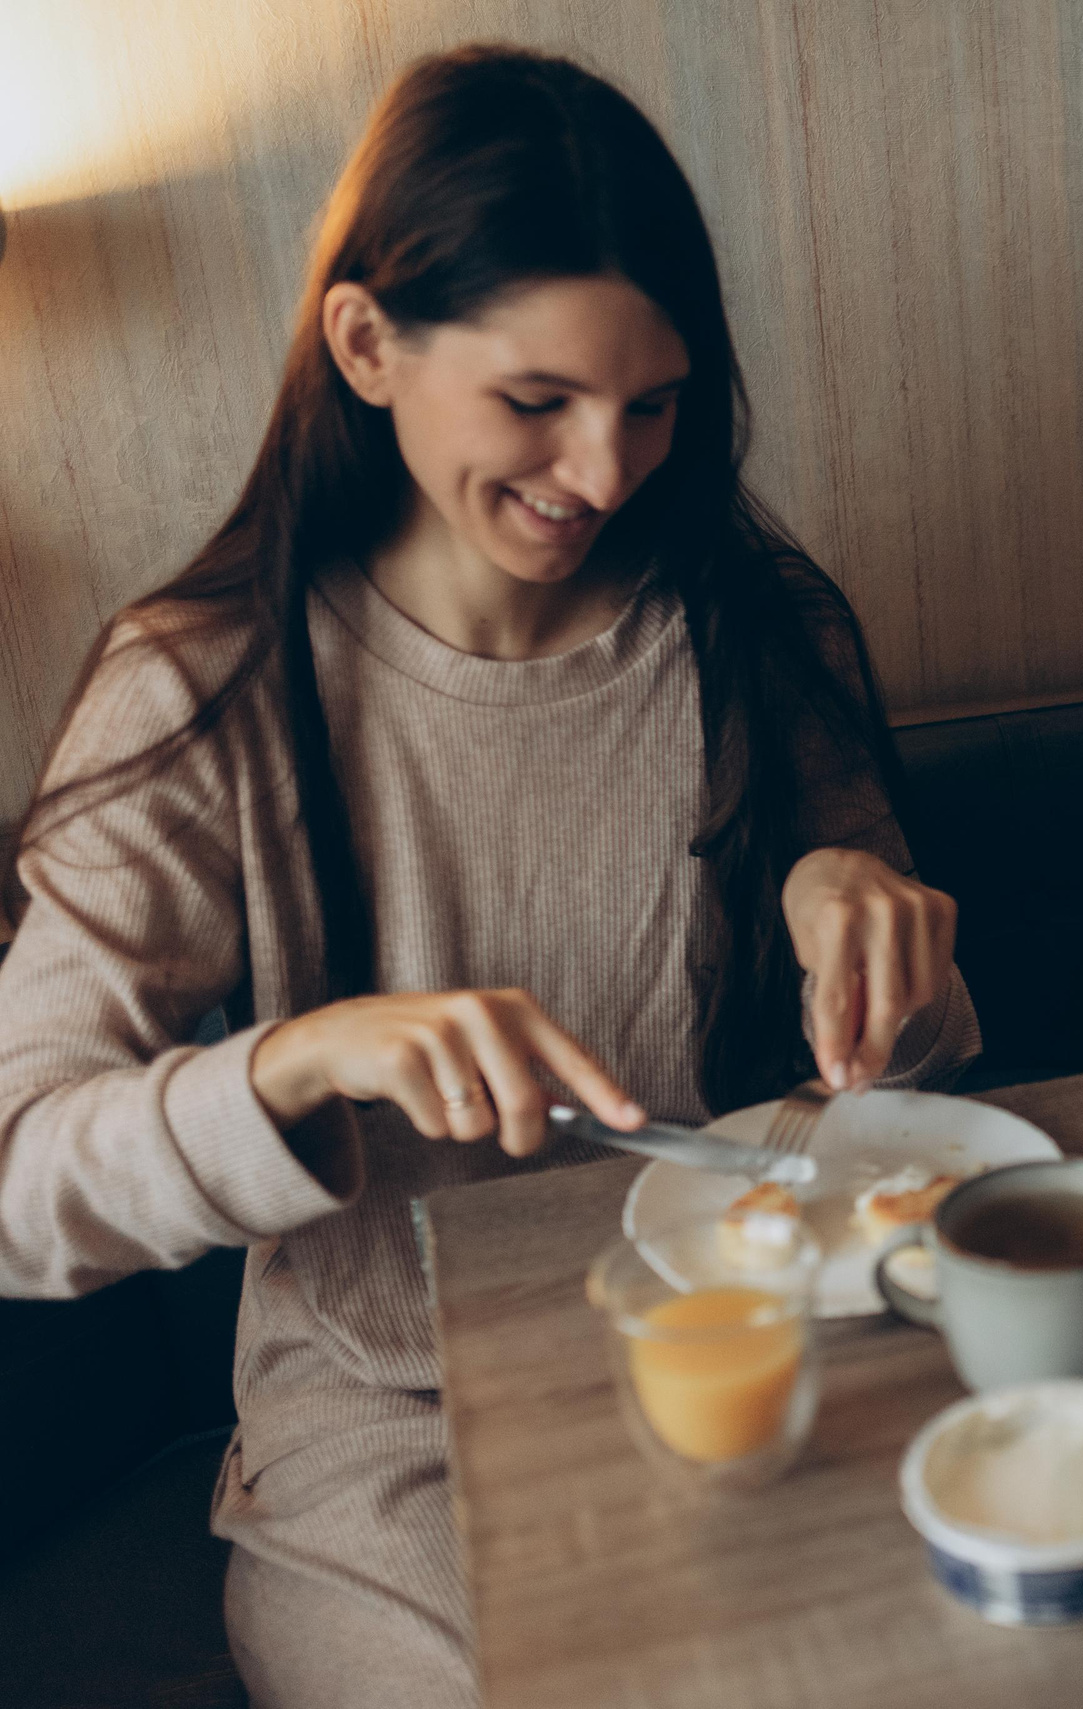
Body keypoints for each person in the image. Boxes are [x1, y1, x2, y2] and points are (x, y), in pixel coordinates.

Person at [0, 47, 977, 1708]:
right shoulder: (206, 688)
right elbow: (22, 1184)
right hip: (395, 1434)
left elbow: (915, 1084)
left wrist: (865, 921)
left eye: (652, 404)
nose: (602, 471)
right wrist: (302, 1062)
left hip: (738, 1347)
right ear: (366, 343)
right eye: (536, 401)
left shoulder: (753, 630)